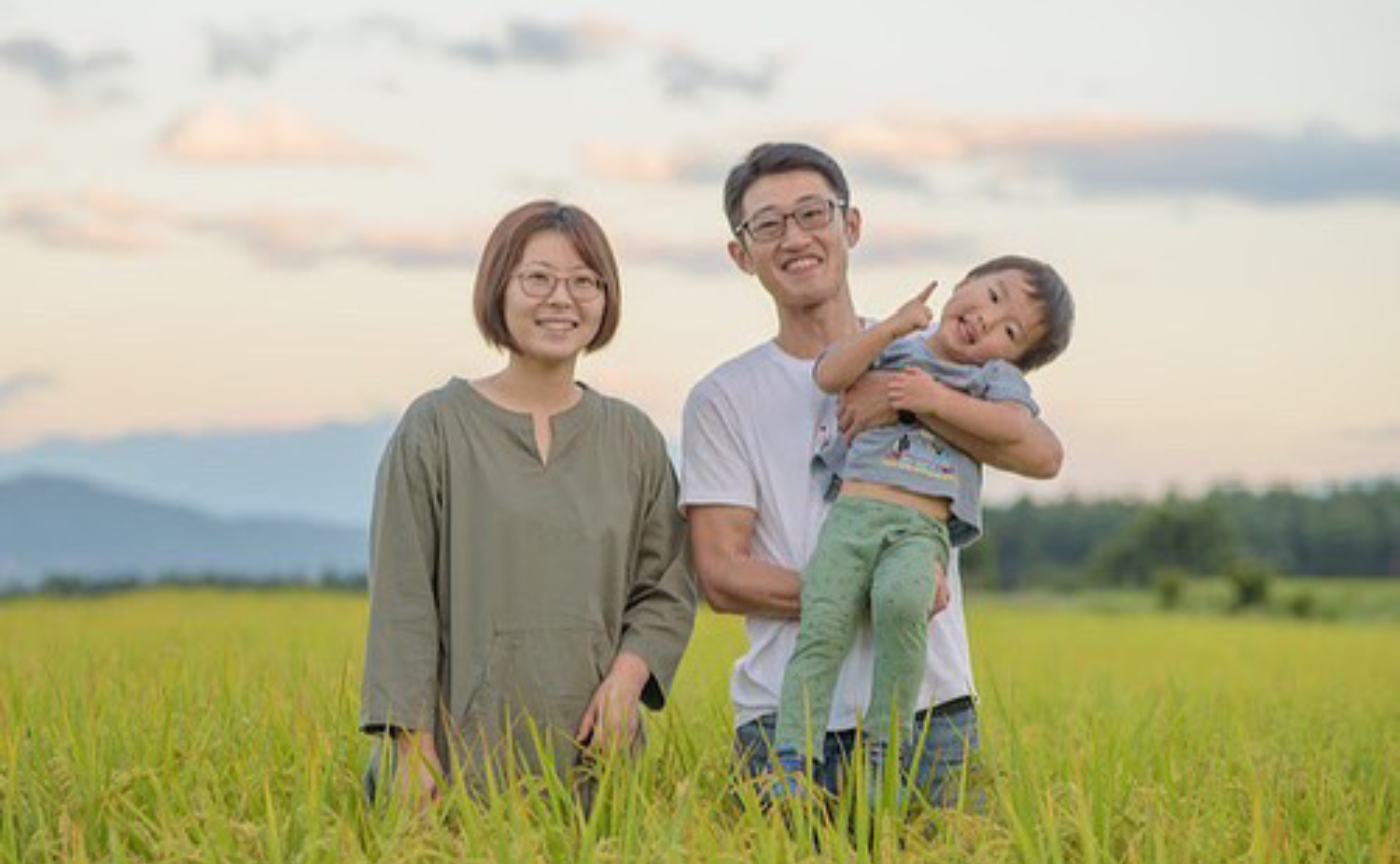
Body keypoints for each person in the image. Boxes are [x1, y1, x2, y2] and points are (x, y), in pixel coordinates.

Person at [681, 142, 1064, 808]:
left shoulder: (945, 362)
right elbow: (720, 575)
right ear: (742, 255)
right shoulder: (723, 397)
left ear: (850, 226)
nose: (795, 237)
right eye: (768, 225)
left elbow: (1040, 454)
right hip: (784, 724)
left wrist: (902, 398)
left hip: (932, 716)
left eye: (812, 214)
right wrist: (881, 596)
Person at [360, 200, 697, 804]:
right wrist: (411, 745)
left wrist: (628, 678)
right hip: (456, 761)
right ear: (499, 287)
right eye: (538, 278)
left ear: (606, 296)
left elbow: (667, 587)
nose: (561, 299)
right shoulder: (435, 427)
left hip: (596, 761)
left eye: (583, 282)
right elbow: (401, 598)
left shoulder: (633, 439)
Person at [773, 256, 1075, 791]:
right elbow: (829, 375)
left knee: (903, 603)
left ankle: (883, 753)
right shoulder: (892, 344)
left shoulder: (990, 380)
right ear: (964, 283)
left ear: (1014, 360)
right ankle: (793, 758)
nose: (989, 319)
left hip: (920, 528)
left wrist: (931, 401)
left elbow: (1016, 428)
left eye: (1011, 332)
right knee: (821, 623)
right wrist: (890, 326)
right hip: (854, 517)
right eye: (995, 296)